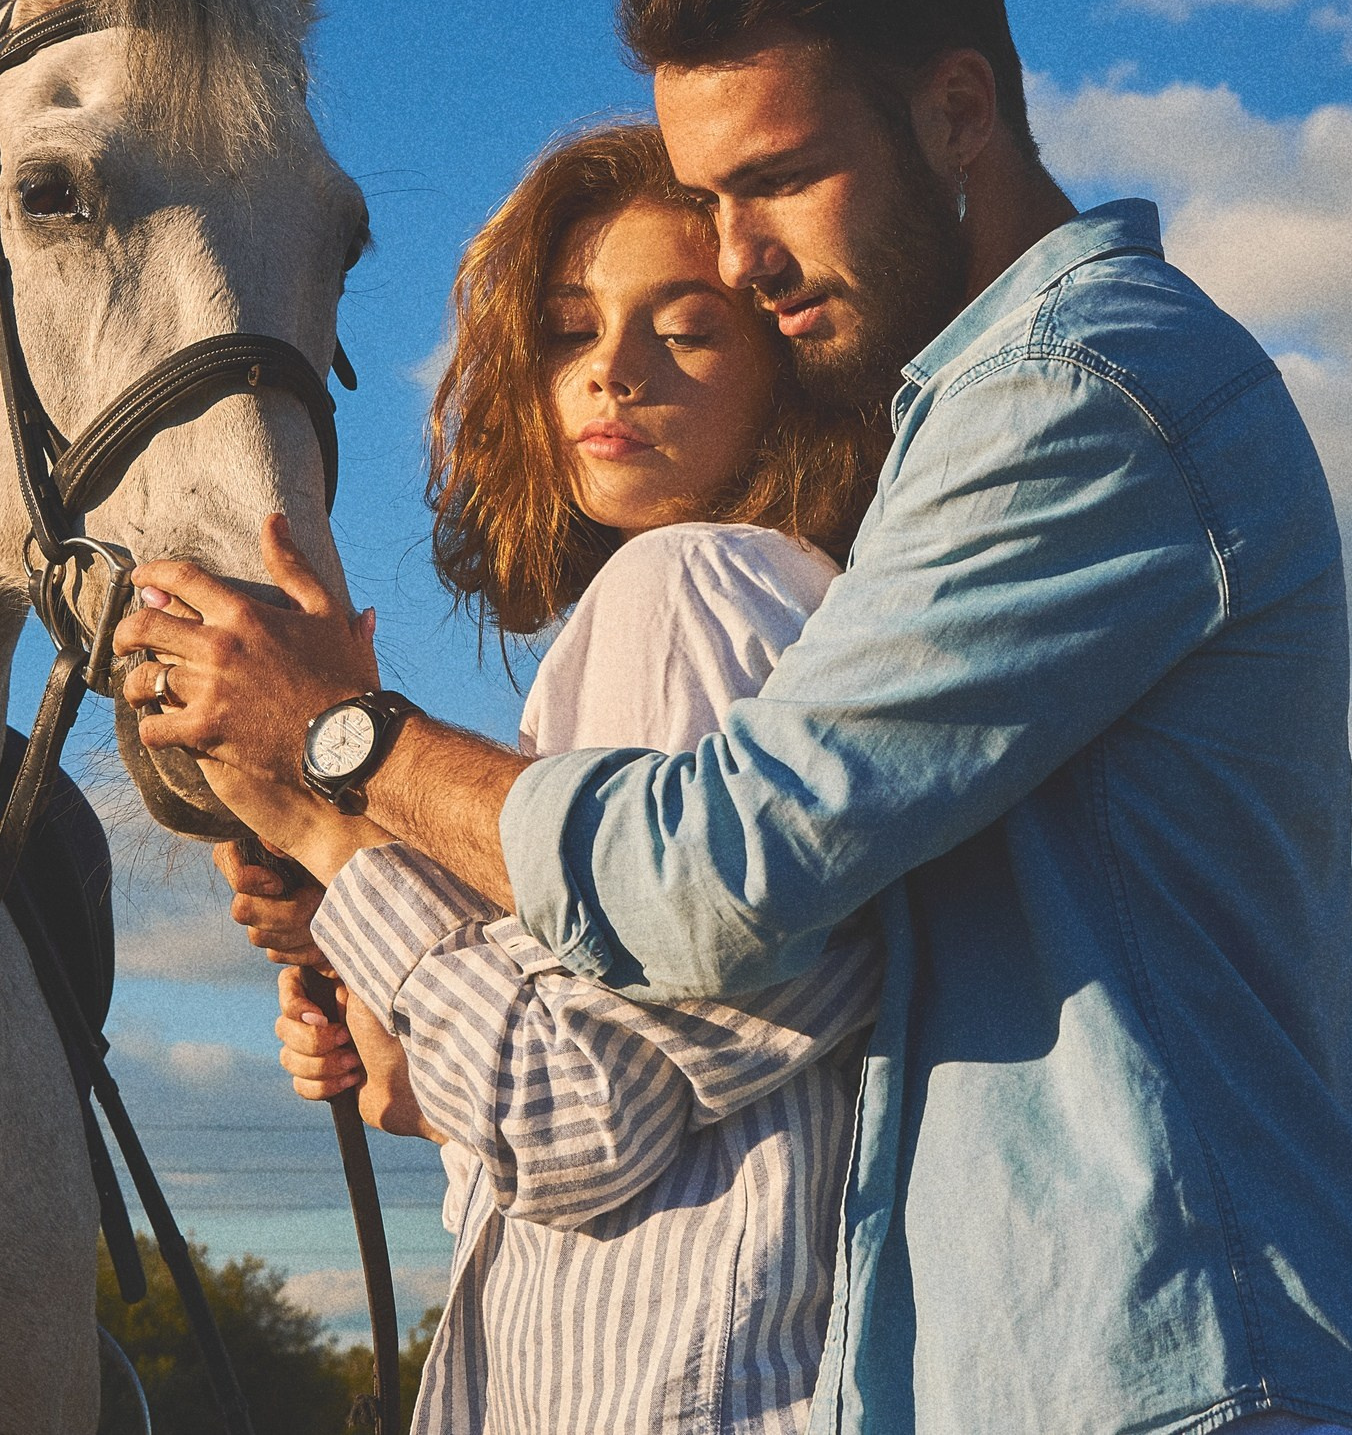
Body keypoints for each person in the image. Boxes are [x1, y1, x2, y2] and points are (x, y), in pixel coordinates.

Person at [122, 0, 1352, 1435]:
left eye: (776, 178)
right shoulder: (946, 461)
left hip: (1184, 1373)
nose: (742, 258)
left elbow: (710, 874)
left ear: (958, 110)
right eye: (708, 197)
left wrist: (341, 748)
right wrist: (390, 938)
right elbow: (733, 1008)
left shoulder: (1075, 396)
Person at [194, 123, 892, 1434]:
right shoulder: (779, 608)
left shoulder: (691, 585)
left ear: (781, 368)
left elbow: (573, 1116)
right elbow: (474, 1103)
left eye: (680, 329)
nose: (610, 374)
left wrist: (325, 809)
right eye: (572, 329)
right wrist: (367, 931)